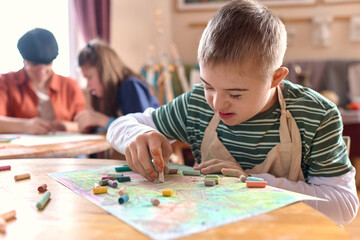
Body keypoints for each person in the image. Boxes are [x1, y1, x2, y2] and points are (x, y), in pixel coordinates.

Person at [106, 0, 359, 225]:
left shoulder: (315, 115)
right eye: (208, 86)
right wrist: (138, 135)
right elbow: (120, 125)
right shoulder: (196, 104)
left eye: (235, 94)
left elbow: (344, 205)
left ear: (275, 78)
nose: (217, 103)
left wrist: (254, 183)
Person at [0, 28, 86, 134]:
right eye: (34, 65)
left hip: (67, 149)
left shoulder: (70, 85)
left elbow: (85, 124)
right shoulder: (5, 83)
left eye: (47, 64)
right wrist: (24, 126)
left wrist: (66, 126)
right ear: (24, 61)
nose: (41, 71)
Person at [74, 39, 160, 133]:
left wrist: (101, 120)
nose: (87, 86)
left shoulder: (129, 86)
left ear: (105, 72)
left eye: (89, 77)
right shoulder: (105, 96)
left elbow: (143, 131)